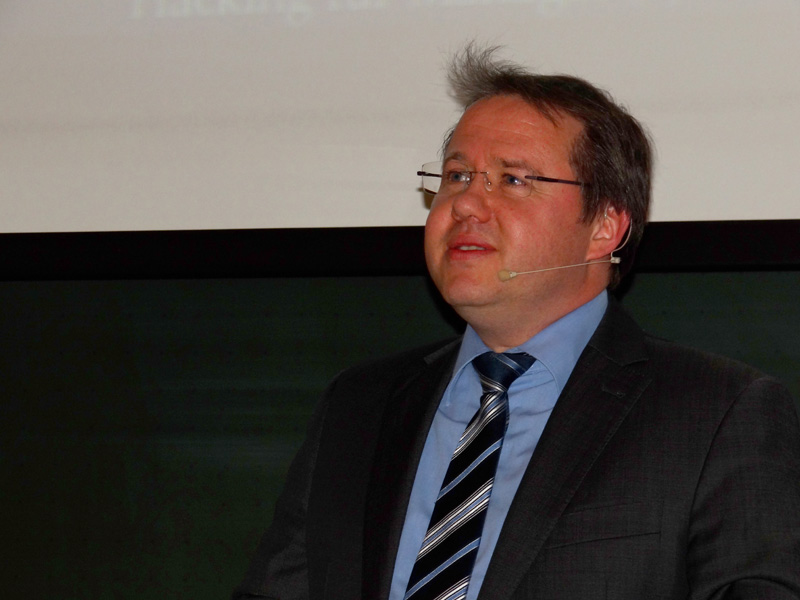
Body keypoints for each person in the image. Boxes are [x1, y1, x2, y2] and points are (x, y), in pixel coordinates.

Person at [233, 45, 800, 599]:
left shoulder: (718, 414)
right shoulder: (360, 405)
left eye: (513, 180)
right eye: (456, 176)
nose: (465, 204)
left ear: (605, 226)